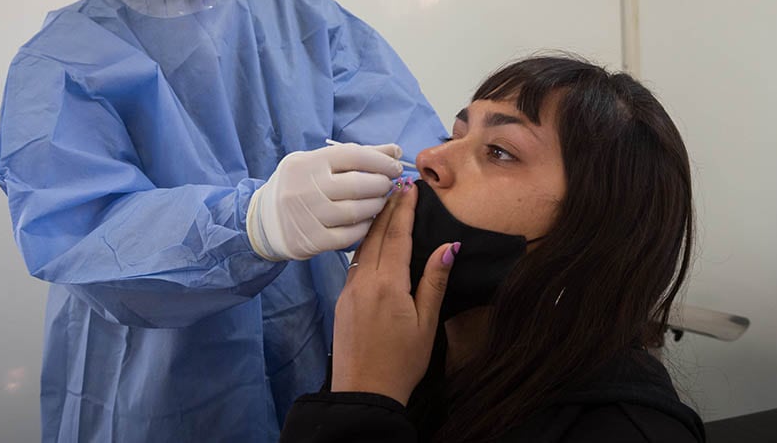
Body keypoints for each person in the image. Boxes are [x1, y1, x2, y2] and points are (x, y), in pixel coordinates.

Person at [0, 0, 444, 442]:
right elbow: (85, 234)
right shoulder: (63, 61)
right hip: (151, 389)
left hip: (319, 361)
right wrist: (250, 222)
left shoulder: (309, 24)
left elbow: (414, 165)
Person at [280, 55, 705, 442]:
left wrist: (362, 401)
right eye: (454, 135)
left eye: (500, 152)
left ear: (592, 231)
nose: (429, 157)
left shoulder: (629, 431)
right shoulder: (415, 360)